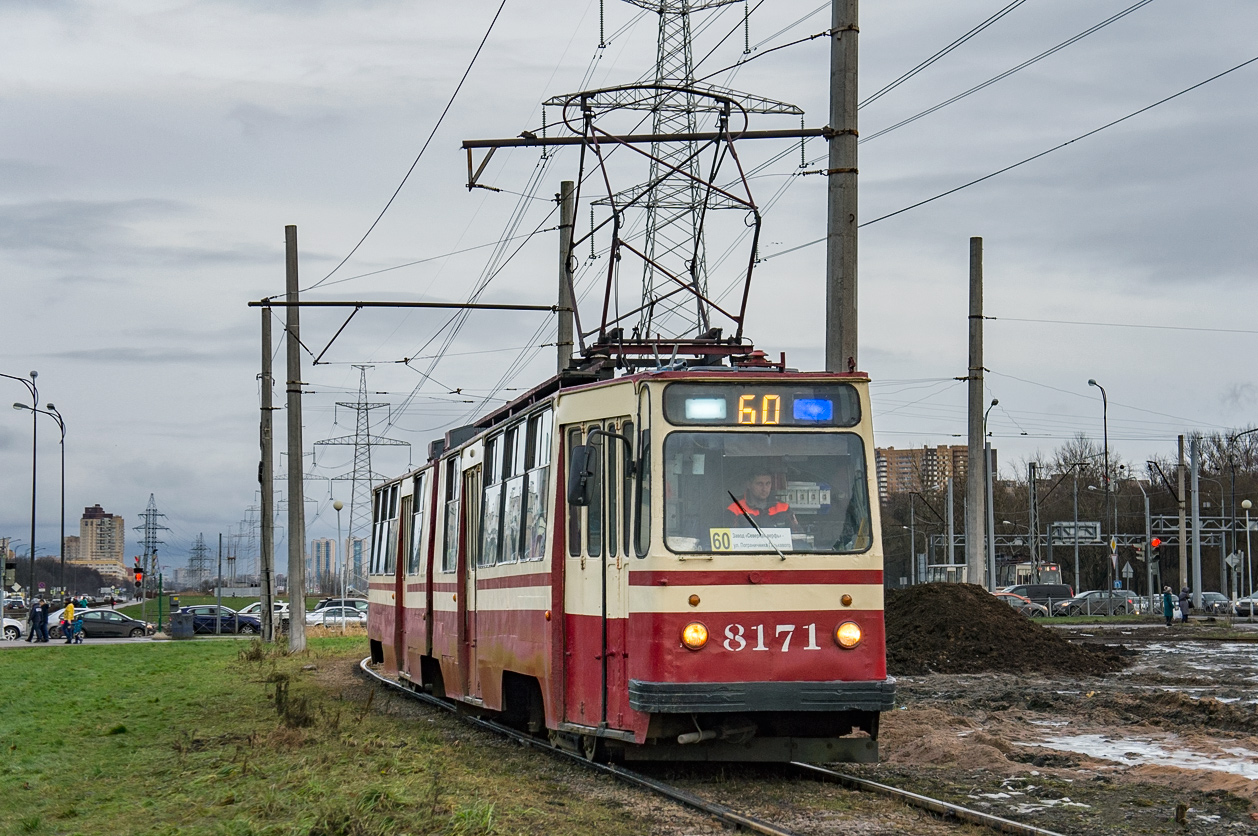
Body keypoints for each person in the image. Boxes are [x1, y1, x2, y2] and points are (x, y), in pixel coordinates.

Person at [726, 469, 796, 529]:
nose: (764, 489)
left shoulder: (783, 508)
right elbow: (730, 540)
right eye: (760, 484)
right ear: (749, 485)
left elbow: (798, 537)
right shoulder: (735, 509)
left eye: (768, 484)